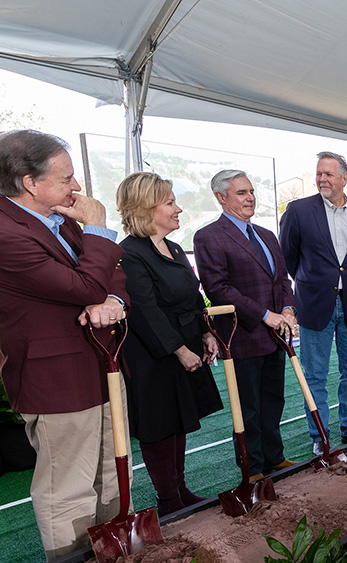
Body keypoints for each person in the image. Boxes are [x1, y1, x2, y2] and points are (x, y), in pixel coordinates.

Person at [0, 130, 129, 559]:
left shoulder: (63, 221)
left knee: (112, 472)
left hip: (101, 365)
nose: (76, 188)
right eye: (66, 178)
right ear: (29, 183)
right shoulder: (6, 234)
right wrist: (97, 229)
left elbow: (113, 275)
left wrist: (110, 301)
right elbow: (87, 281)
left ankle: (108, 550)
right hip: (54, 379)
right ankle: (71, 557)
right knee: (67, 486)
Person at [116, 172, 224, 515]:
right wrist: (179, 350)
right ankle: (168, 500)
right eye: (170, 202)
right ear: (147, 208)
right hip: (155, 355)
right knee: (160, 426)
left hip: (187, 343)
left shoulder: (175, 247)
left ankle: (179, 490)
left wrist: (207, 333)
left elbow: (193, 296)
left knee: (179, 423)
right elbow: (144, 311)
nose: (179, 208)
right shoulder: (129, 254)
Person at [193, 169, 297, 481]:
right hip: (243, 335)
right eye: (241, 193)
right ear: (221, 198)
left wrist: (289, 310)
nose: (250, 197)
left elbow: (282, 280)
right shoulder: (208, 237)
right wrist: (267, 315)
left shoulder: (267, 235)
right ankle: (251, 468)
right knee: (248, 407)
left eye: (251, 191)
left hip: (276, 335)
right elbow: (218, 288)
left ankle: (274, 457)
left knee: (273, 400)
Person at [279, 152, 347, 449]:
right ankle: (320, 436)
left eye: (329, 174)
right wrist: (312, 283)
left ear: (344, 179)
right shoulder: (298, 210)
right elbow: (288, 258)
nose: (322, 178)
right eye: (319, 173)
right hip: (314, 304)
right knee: (315, 375)